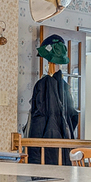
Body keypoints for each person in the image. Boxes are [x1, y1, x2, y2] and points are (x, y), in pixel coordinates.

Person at [26, 34, 78, 164]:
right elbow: (73, 116)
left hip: (46, 141)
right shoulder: (64, 86)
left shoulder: (44, 85)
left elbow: (39, 117)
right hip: (64, 142)